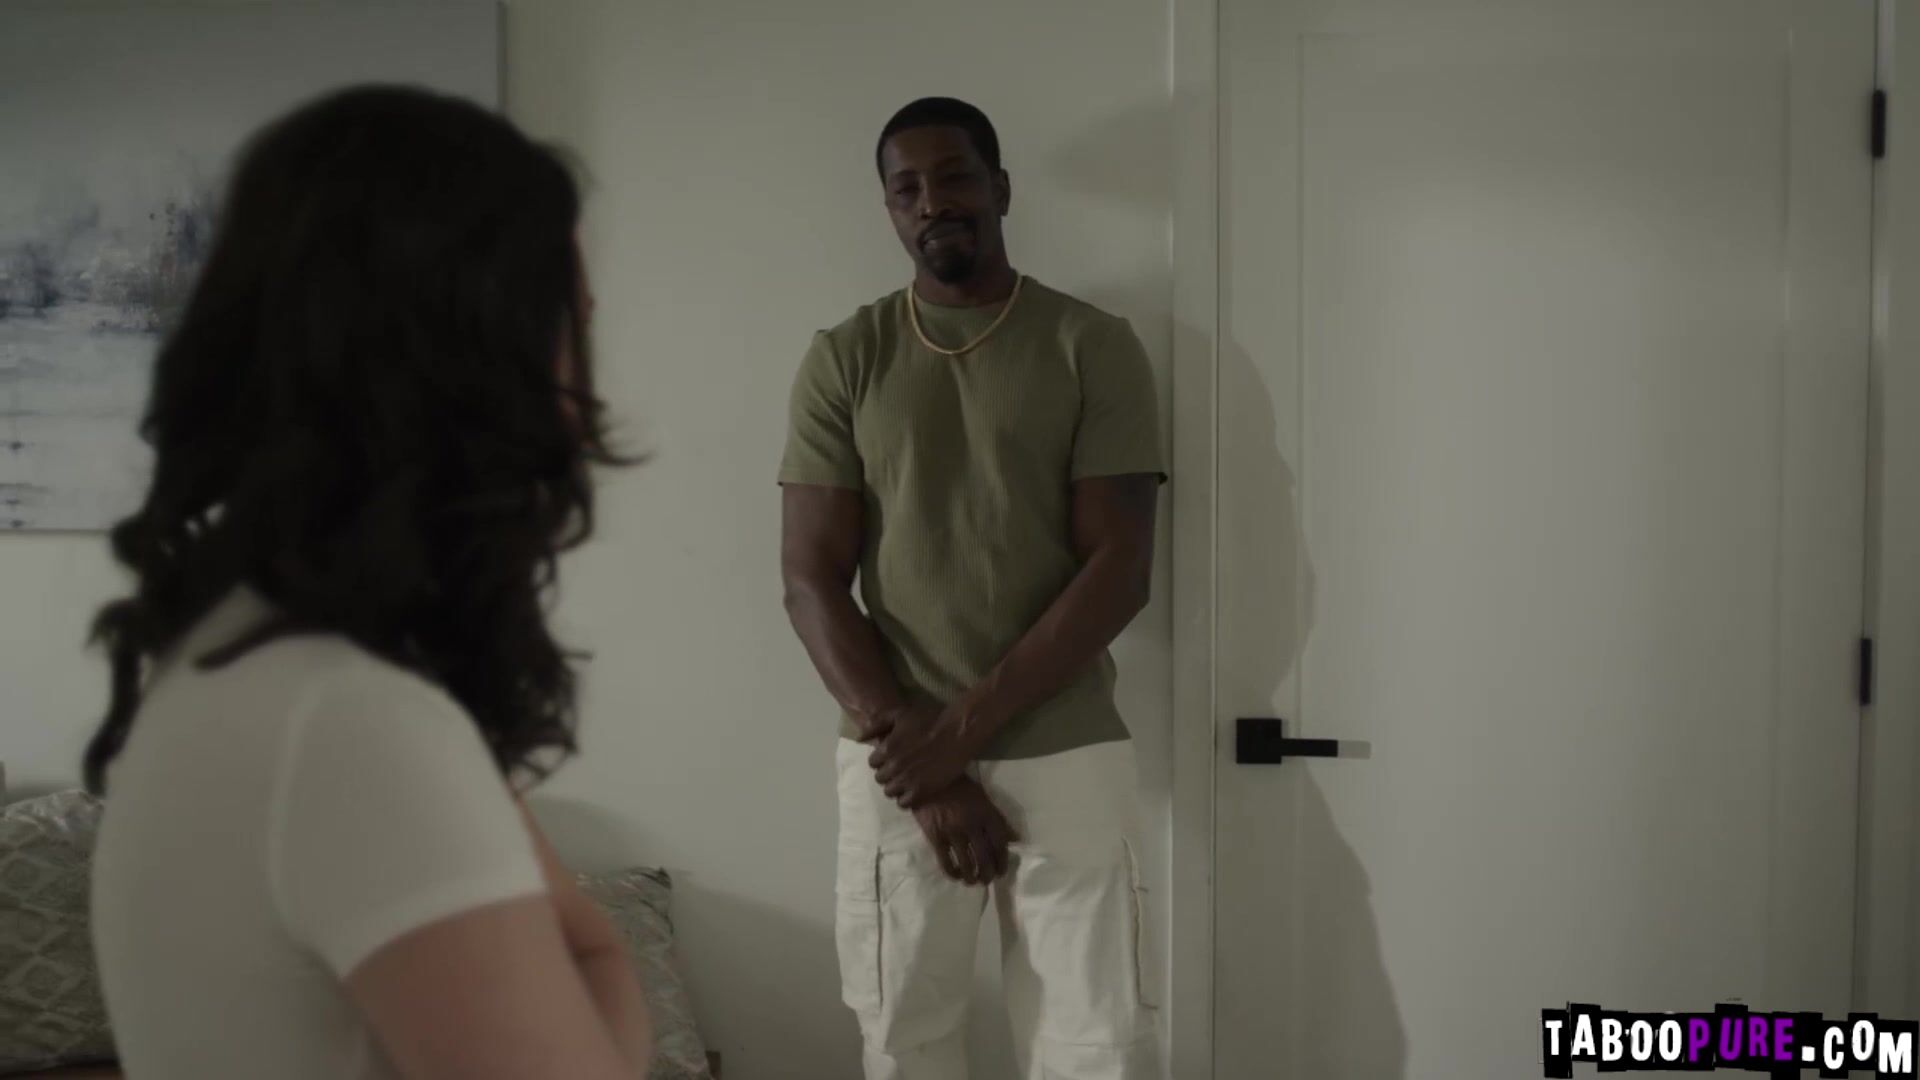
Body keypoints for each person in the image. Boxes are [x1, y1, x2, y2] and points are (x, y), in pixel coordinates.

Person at [83, 85, 651, 1080]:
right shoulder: (351, 723)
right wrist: (603, 952)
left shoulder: (224, 659)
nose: (584, 401)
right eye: (570, 331)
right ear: (481, 367)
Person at [779, 96, 1166, 1080]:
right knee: (904, 1043)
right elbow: (809, 579)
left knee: (1096, 1048)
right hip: (895, 758)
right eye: (905, 188)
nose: (932, 202)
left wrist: (960, 735)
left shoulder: (1091, 343)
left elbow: (1121, 570)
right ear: (888, 209)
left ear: (1000, 188)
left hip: (1064, 749)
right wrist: (931, 764)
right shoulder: (847, 355)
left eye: (954, 177)